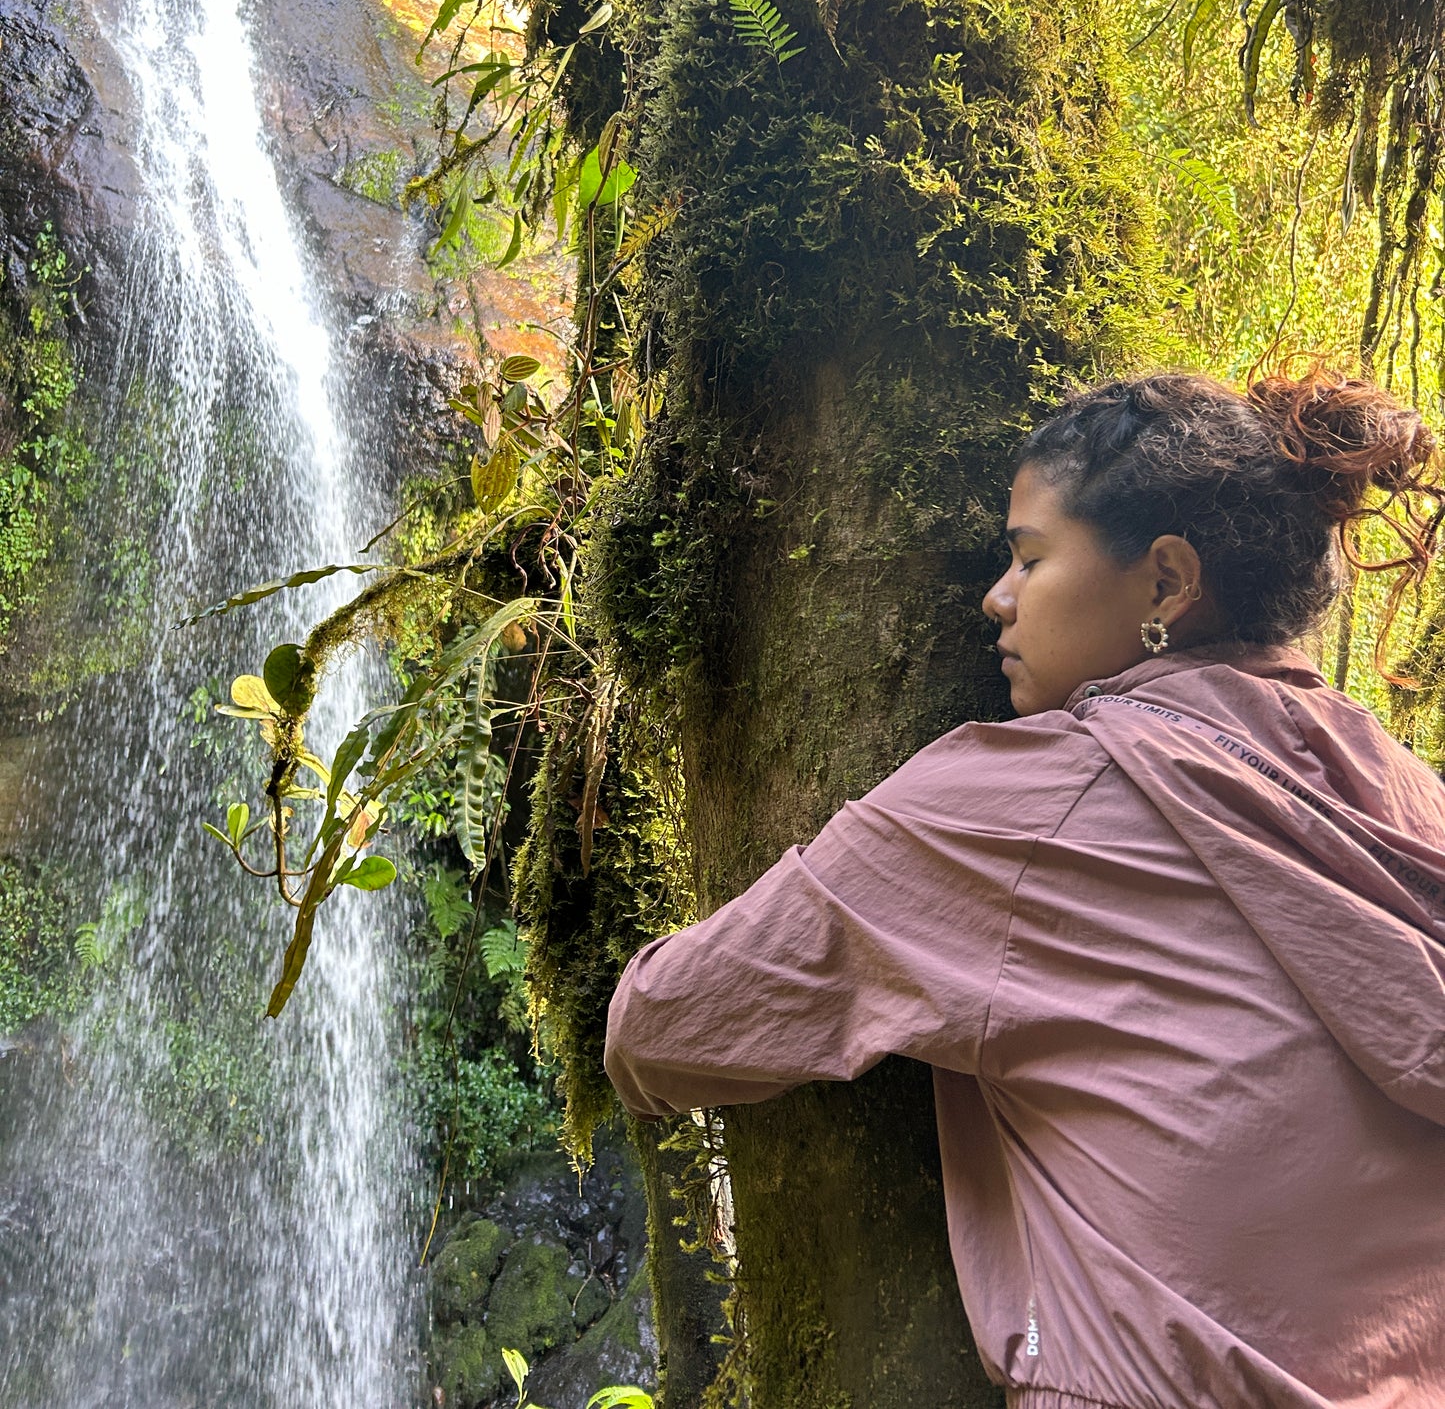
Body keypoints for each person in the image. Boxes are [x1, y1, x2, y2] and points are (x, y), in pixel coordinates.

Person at [604, 368, 1445, 1409]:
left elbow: (660, 1029)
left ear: (1166, 583)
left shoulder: (1019, 800)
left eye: (1029, 557)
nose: (994, 596)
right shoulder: (1408, 795)